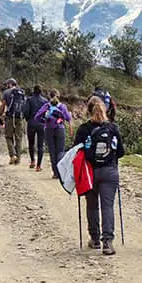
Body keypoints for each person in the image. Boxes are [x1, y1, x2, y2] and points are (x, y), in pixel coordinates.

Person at [73, 96, 125, 255]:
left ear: (88, 111)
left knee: (92, 205)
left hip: (89, 173)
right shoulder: (112, 128)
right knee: (107, 206)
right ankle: (107, 243)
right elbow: (121, 152)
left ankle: (95, 238)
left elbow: (77, 152)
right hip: (109, 172)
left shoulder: (83, 129)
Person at [35, 90, 73, 179]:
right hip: (60, 129)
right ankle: (60, 173)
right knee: (60, 151)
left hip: (48, 129)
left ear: (49, 96)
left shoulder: (47, 106)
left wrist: (44, 121)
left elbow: (37, 116)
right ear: (58, 96)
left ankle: (55, 172)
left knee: (52, 151)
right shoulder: (62, 106)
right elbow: (68, 117)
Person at [0, 78, 26, 165]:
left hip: (10, 117)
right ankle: (18, 160)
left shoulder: (6, 92)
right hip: (20, 117)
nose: (6, 86)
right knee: (18, 138)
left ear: (10, 84)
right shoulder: (21, 92)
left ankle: (12, 155)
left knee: (8, 137)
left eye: (7, 84)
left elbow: (3, 105)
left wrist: (1, 114)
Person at [23, 85, 49, 170]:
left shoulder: (29, 99)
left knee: (31, 143)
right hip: (41, 123)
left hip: (31, 123)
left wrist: (27, 119)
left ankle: (32, 161)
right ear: (41, 91)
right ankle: (38, 165)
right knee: (40, 145)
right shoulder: (45, 101)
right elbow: (47, 113)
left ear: (33, 91)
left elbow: (26, 111)